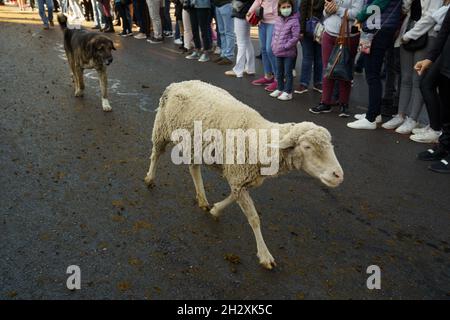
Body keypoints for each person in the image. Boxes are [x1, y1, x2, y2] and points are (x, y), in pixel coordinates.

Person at [381, 0, 442, 134]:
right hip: (407, 30)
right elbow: (404, 8)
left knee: (417, 79)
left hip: (426, 34)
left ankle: (413, 118)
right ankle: (400, 115)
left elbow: (431, 16)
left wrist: (410, 35)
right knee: (405, 78)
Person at [347, 0, 402, 129]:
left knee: (372, 75)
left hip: (379, 30)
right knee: (373, 74)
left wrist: (360, 17)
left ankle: (371, 118)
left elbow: (377, 4)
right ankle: (374, 113)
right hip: (381, 28)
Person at [309, 0, 364, 116]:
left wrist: (337, 10)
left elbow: (358, 14)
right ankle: (325, 102)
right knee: (327, 69)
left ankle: (344, 104)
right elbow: (325, 13)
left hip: (349, 36)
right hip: (329, 34)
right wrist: (327, 11)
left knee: (346, 69)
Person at [415, 6, 450, 173]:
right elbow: (445, 30)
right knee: (446, 105)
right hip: (446, 58)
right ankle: (445, 145)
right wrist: (429, 58)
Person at [270, 0, 300, 100]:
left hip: (288, 52)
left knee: (288, 72)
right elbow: (274, 33)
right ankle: (280, 88)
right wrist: (273, 44)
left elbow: (295, 37)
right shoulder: (278, 19)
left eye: (288, 7)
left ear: (292, 7)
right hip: (278, 51)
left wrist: (286, 46)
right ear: (279, 8)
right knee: (279, 72)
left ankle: (288, 92)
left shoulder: (294, 21)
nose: (286, 9)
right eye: (283, 7)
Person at [248, 0, 280, 92]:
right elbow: (258, 1)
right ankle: (268, 76)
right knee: (263, 49)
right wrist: (250, 11)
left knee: (270, 49)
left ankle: (279, 79)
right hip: (262, 20)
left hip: (274, 22)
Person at [296, 0, 324, 94]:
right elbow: (302, 11)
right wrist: (302, 30)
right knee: (308, 57)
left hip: (321, 29)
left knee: (318, 58)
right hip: (309, 28)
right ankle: (305, 83)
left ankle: (317, 83)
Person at [225, 0, 255, 77]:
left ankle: (238, 70)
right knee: (247, 41)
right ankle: (250, 68)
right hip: (246, 11)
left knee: (241, 43)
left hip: (241, 12)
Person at [212, 0, 235, 65]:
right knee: (222, 32)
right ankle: (224, 54)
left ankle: (229, 56)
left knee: (228, 31)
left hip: (226, 4)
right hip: (218, 5)